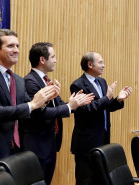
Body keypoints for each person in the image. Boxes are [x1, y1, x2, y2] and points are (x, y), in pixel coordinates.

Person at [0, 29, 60, 178]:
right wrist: (33, 104)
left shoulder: (19, 80)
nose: (16, 50)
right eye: (10, 46)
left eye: (17, 46)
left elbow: (31, 109)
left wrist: (45, 99)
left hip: (16, 151)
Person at [21, 42, 94, 185]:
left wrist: (74, 103)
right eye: (53, 57)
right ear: (42, 60)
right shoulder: (30, 81)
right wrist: (69, 106)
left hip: (50, 142)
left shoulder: (47, 81)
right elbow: (40, 113)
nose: (55, 60)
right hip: (37, 144)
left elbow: (61, 105)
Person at [70, 51, 132, 185]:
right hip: (86, 141)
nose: (104, 65)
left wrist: (118, 100)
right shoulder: (78, 85)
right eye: (100, 62)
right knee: (85, 180)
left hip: (103, 138)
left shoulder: (102, 82)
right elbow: (86, 110)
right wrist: (107, 98)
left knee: (101, 179)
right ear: (90, 64)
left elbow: (106, 106)